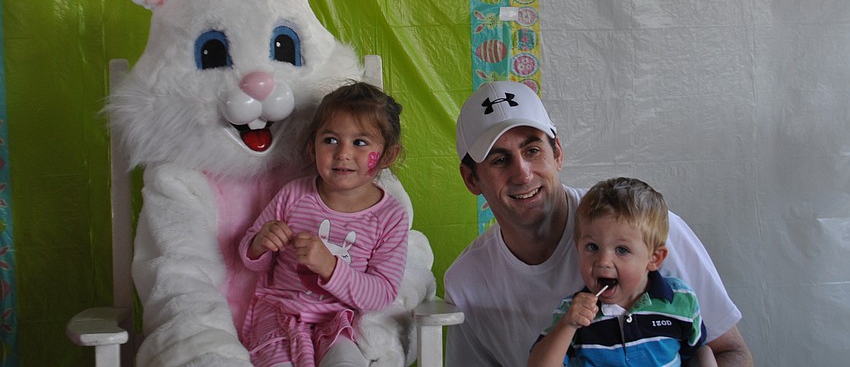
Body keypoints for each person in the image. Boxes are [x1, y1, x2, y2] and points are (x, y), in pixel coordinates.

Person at [445, 81, 753, 367]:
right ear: (471, 179)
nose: (523, 174)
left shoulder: (648, 231)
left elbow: (731, 352)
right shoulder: (466, 283)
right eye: (500, 160)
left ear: (558, 153)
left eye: (533, 150)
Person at [239, 81, 409, 367]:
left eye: (360, 142)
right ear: (312, 147)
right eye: (330, 140)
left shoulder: (390, 217)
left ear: (387, 156)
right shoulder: (294, 195)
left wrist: (330, 267)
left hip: (339, 323)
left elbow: (381, 294)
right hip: (280, 315)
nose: (343, 153)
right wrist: (259, 243)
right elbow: (251, 258)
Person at [528, 177, 715, 367]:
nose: (603, 261)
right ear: (578, 248)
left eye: (622, 250)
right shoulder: (572, 312)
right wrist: (567, 325)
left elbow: (699, 352)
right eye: (592, 247)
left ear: (654, 258)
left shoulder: (681, 300)